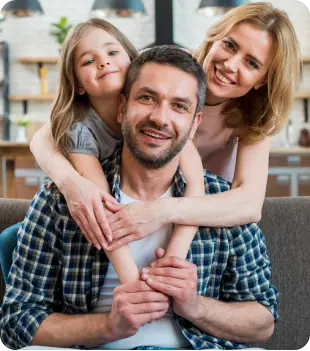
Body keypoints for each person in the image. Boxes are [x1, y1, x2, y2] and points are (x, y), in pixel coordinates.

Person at [1, 45, 278, 350]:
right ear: (122, 108)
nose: (160, 118)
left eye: (179, 106)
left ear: (195, 123)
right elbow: (17, 321)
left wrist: (195, 305)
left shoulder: (222, 204)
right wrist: (109, 325)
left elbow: (263, 324)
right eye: (147, 98)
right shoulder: (66, 198)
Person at [28, 2, 301, 250]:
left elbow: (250, 204)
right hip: (129, 202)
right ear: (214, 37)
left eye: (251, 63)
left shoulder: (256, 115)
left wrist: (160, 212)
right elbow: (48, 136)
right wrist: (72, 183)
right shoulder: (164, 66)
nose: (230, 64)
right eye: (229, 45)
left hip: (199, 221)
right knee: (20, 236)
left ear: (263, 80)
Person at [0, 18, 204, 284]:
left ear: (132, 59)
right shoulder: (80, 130)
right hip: (99, 216)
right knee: (11, 238)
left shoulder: (161, 120)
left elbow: (196, 188)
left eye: (112, 52)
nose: (104, 62)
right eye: (88, 61)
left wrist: (174, 257)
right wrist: (132, 282)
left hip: (147, 209)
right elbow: (100, 203)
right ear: (79, 84)